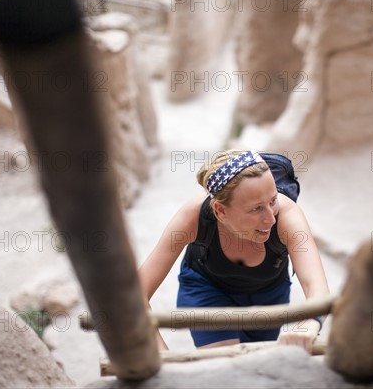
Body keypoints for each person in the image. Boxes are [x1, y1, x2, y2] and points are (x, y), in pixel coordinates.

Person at [138, 150, 330, 353]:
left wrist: (310, 323)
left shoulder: (287, 215)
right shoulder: (192, 217)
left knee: (255, 366)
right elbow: (137, 293)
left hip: (268, 295)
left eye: (272, 201)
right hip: (208, 290)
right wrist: (160, 353)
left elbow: (316, 286)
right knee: (225, 363)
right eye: (256, 209)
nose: (270, 219)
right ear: (221, 211)